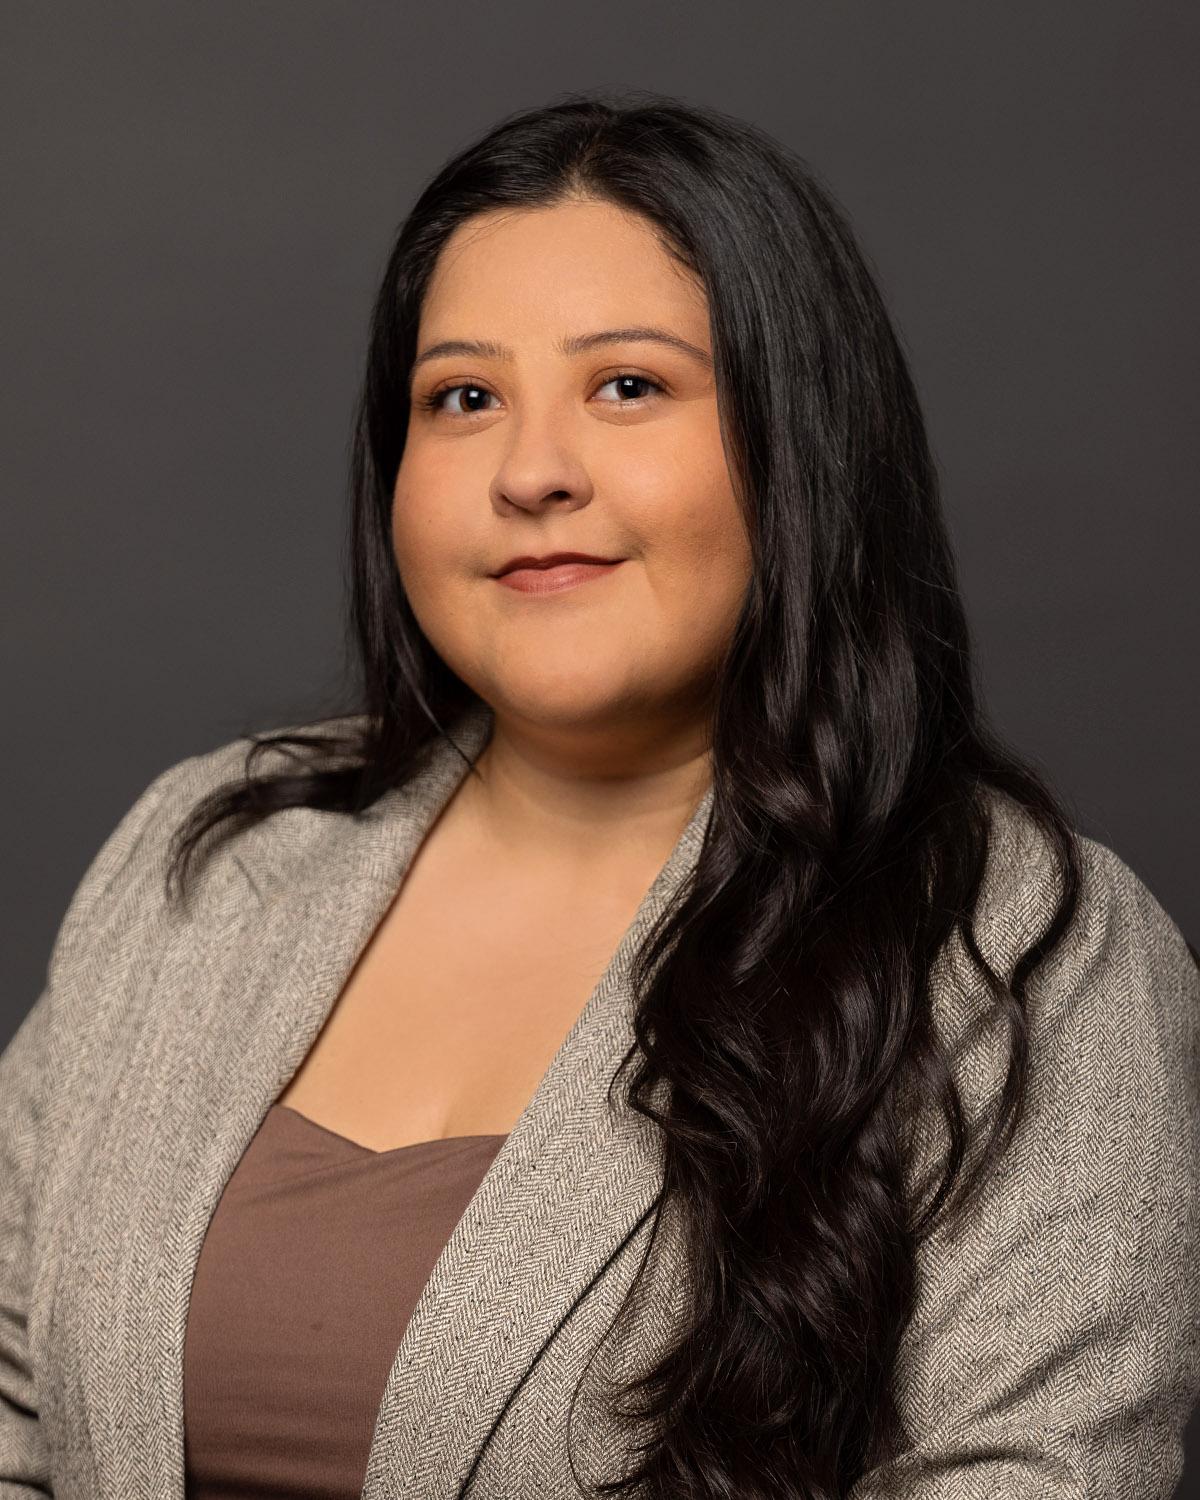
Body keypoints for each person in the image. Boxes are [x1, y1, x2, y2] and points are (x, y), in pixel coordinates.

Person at [2, 90, 1197, 1500]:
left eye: (628, 385)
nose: (532, 472)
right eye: (463, 398)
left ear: (796, 442)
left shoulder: (1023, 944)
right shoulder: (205, 857)